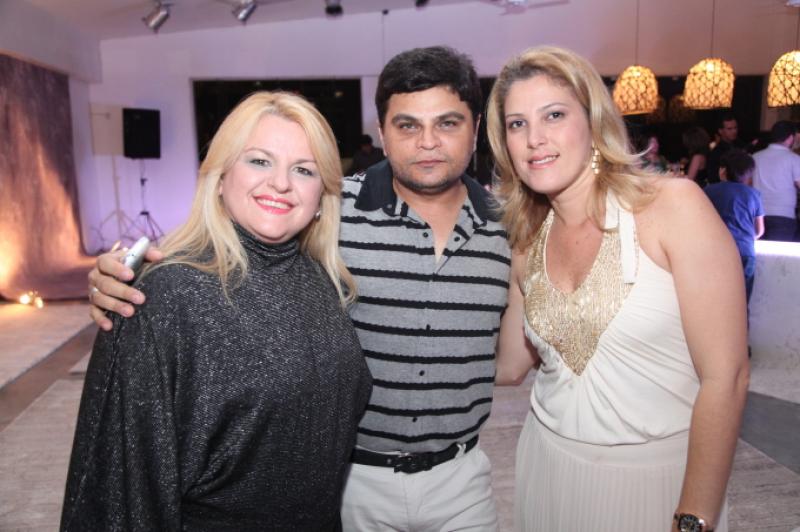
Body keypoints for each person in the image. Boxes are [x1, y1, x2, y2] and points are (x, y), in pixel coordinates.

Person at [86, 46, 510, 531]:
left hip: (455, 478)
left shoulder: (511, 225)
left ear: (476, 128)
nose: (428, 142)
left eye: (448, 123)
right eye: (408, 125)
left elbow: (517, 356)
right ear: (382, 133)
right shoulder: (334, 208)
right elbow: (222, 244)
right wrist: (120, 275)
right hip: (353, 481)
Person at [62, 92, 373, 531]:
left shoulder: (321, 279)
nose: (280, 183)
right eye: (259, 161)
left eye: (303, 170)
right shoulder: (166, 294)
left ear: (322, 195)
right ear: (221, 176)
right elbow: (121, 488)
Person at [489, 46, 749, 532]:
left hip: (656, 484)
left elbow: (727, 377)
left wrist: (694, 518)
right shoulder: (526, 239)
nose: (534, 138)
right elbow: (509, 365)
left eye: (554, 115)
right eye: (517, 124)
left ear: (593, 120)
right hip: (546, 469)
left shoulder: (672, 206)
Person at [705, 149, 764, 307]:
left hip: (717, 251)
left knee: (716, 300)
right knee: (741, 302)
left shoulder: (709, 191)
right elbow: (759, 231)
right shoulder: (754, 194)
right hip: (745, 251)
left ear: (723, 170)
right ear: (748, 175)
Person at [752, 120, 800, 241]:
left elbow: (747, 184)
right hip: (784, 215)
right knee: (779, 252)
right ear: (790, 138)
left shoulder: (755, 157)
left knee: (759, 251)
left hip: (758, 216)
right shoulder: (794, 159)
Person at [707, 113, 745, 185]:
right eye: (729, 129)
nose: (734, 131)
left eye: (735, 128)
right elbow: (712, 178)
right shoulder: (717, 152)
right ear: (720, 131)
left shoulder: (741, 145)